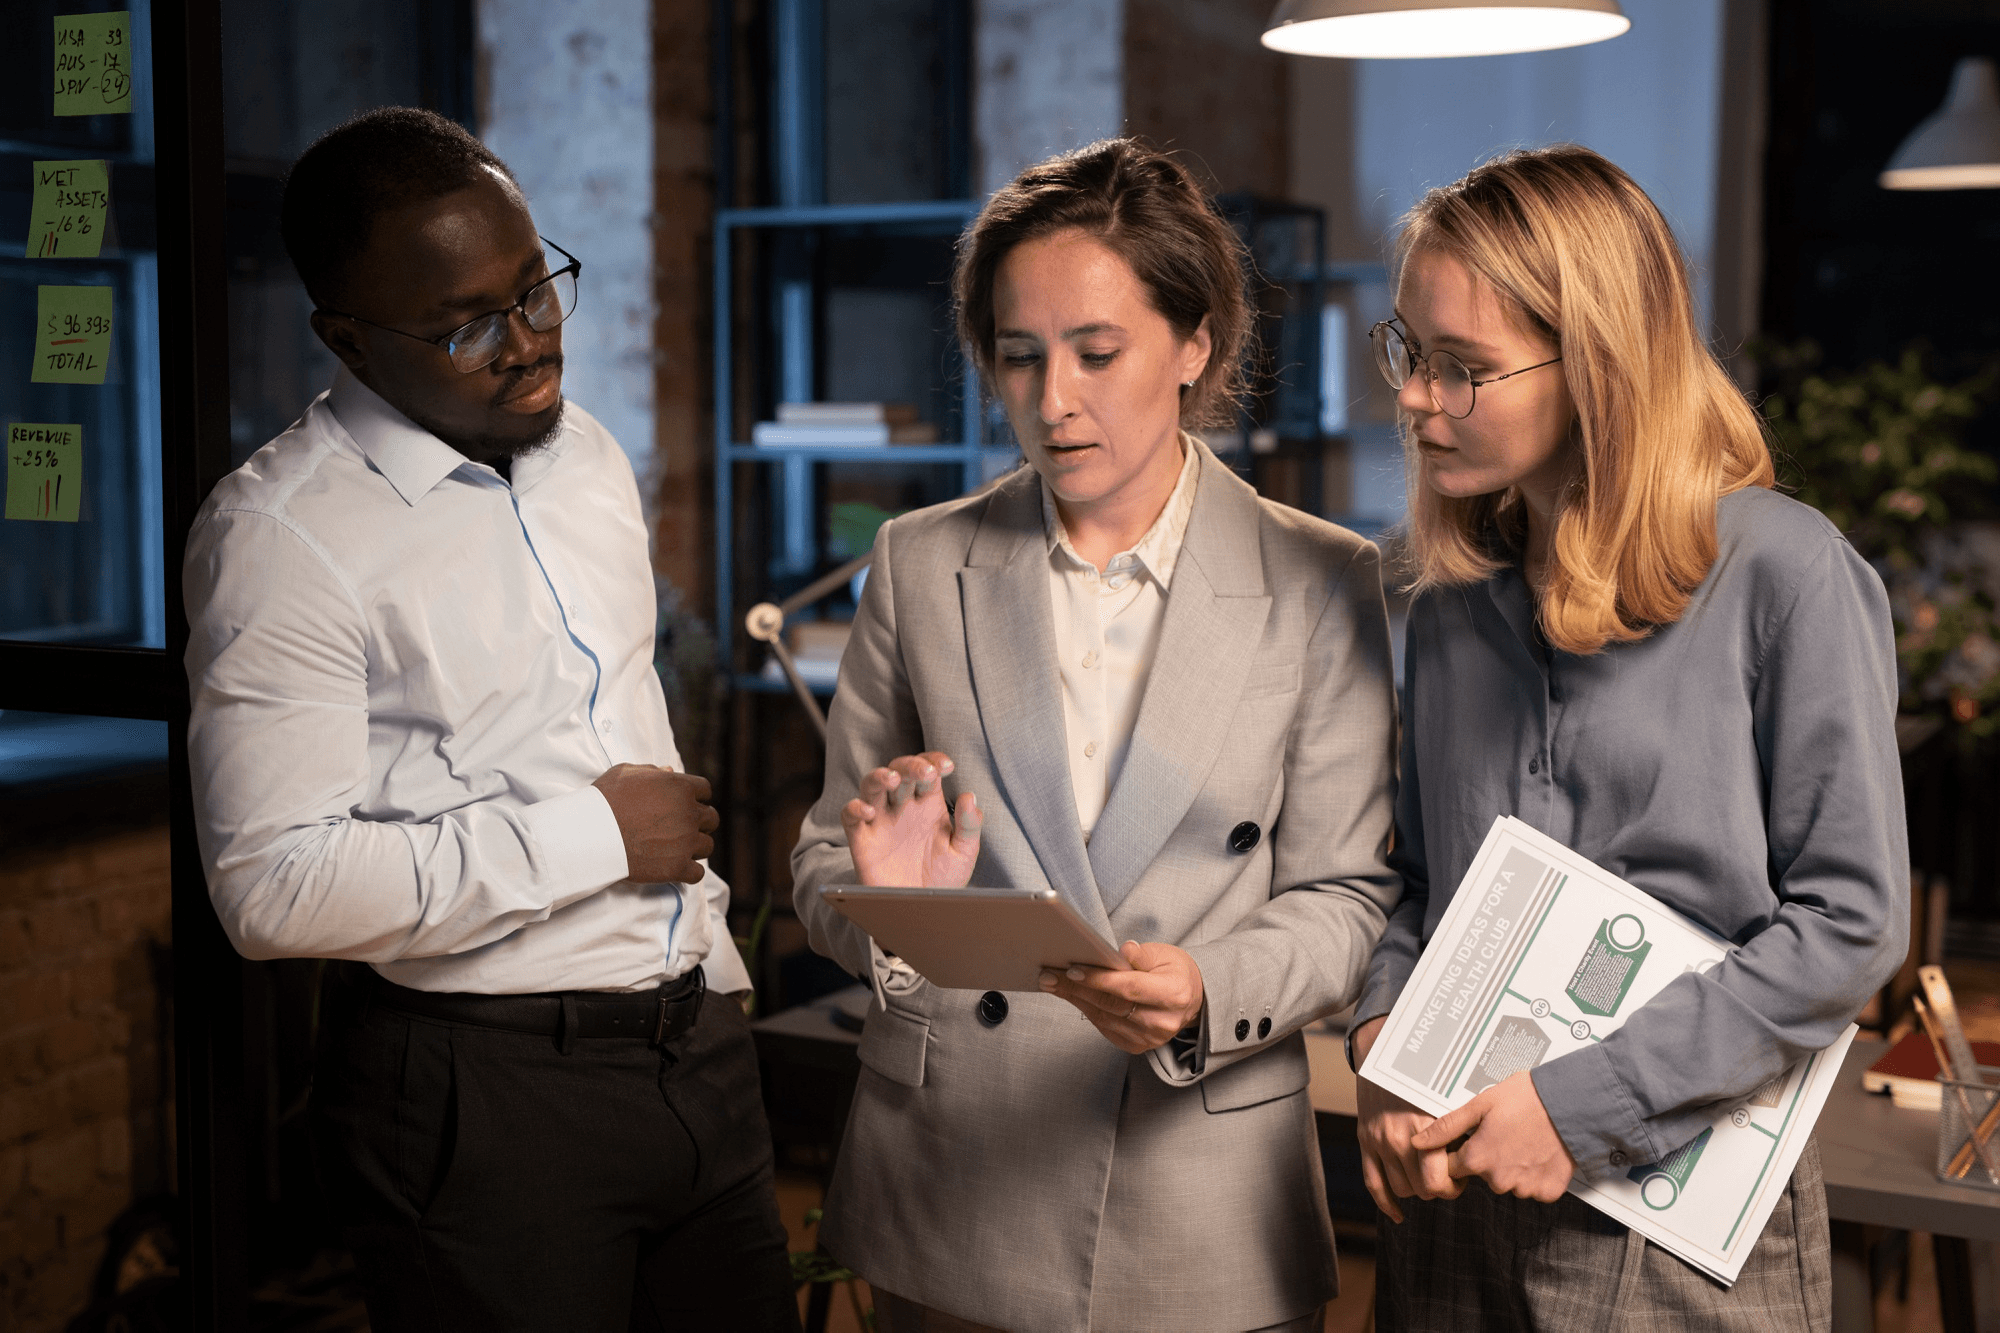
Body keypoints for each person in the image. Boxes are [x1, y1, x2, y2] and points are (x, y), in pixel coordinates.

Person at [182, 108, 799, 1332]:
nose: (527, 344)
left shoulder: (586, 458)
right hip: (484, 1096)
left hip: (696, 1054)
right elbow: (270, 888)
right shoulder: (279, 538)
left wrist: (710, 979)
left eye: (535, 289)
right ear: (347, 340)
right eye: (468, 324)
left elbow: (604, 727)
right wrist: (595, 838)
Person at [789, 137, 1400, 1333]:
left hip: (1203, 1198)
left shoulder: (1322, 579)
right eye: (1017, 355)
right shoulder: (918, 562)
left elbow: (1348, 894)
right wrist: (895, 914)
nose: (1051, 398)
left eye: (1096, 352)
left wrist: (1206, 987)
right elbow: (822, 859)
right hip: (950, 1178)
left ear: (1195, 344)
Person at [1348, 144, 1909, 1328]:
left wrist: (1577, 1107)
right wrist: (1382, 1041)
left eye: (1463, 368)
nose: (1414, 400)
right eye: (1409, 352)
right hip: (1449, 1207)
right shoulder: (1446, 606)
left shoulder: (1786, 573)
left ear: (1595, 362)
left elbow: (1849, 925)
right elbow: (1418, 888)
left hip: (1680, 1232)